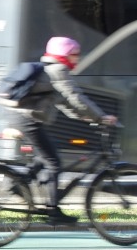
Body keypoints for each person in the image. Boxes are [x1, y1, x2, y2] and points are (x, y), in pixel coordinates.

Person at [9, 36, 121, 225]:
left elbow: (65, 104)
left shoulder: (49, 70)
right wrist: (101, 117)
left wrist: (86, 118)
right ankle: (53, 212)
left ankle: (19, 185)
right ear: (64, 55)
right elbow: (76, 97)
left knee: (44, 156)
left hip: (24, 119)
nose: (77, 59)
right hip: (29, 121)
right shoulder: (59, 70)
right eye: (75, 54)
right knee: (54, 163)